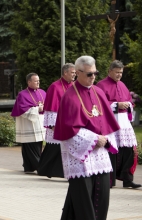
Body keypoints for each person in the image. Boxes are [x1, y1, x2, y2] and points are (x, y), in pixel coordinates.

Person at [54, 56, 120, 220]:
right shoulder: (69, 97)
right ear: (78, 73)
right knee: (83, 203)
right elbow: (68, 129)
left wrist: (105, 139)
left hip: (100, 155)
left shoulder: (98, 92)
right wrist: (94, 139)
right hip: (81, 158)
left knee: (102, 196)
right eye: (89, 74)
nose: (93, 77)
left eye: (95, 73)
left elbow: (107, 121)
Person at [97, 60, 141, 189]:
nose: (119, 75)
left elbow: (129, 101)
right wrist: (116, 105)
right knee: (111, 150)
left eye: (121, 72)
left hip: (124, 122)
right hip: (110, 122)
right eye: (117, 72)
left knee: (128, 150)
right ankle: (109, 180)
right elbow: (100, 105)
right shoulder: (101, 85)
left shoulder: (122, 85)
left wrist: (128, 105)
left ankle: (128, 179)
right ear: (110, 71)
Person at [37, 64, 75, 178]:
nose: (74, 75)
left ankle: (60, 172)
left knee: (64, 149)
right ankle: (44, 169)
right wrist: (54, 125)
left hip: (70, 123)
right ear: (65, 73)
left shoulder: (74, 86)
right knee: (54, 148)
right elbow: (52, 107)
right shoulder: (55, 86)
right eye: (72, 72)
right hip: (57, 122)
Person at [11, 73, 46, 173]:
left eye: (38, 80)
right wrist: (37, 109)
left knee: (38, 145)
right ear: (29, 82)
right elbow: (22, 110)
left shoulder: (42, 92)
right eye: (36, 81)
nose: (38, 82)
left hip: (39, 123)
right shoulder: (22, 94)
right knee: (30, 147)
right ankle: (40, 168)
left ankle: (29, 167)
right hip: (28, 125)